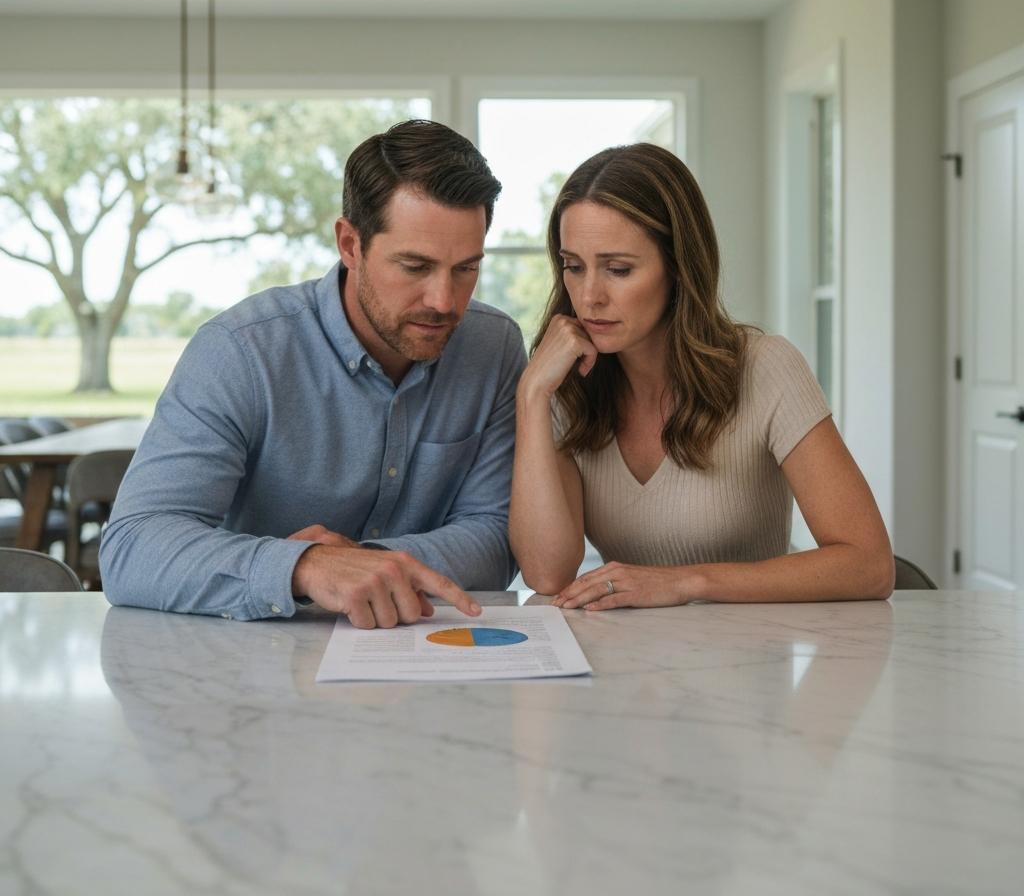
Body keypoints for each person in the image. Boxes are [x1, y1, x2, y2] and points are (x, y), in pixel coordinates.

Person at [101, 120, 527, 626]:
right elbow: (133, 546)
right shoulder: (241, 351)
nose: (443, 300)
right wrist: (304, 567)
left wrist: (365, 565)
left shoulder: (494, 345)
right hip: (255, 663)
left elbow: (497, 535)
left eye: (466, 269)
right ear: (350, 244)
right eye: (414, 267)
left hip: (428, 652)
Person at [510, 143, 894, 609]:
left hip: (750, 666)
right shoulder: (565, 385)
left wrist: (686, 583)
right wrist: (531, 394)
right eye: (573, 266)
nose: (589, 296)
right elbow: (547, 573)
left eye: (618, 269)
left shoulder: (766, 367)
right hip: (623, 668)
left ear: (678, 267)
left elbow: (869, 565)